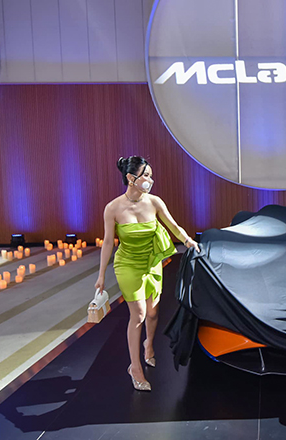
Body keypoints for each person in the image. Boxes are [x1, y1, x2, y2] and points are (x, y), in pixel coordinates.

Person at [95, 156, 200, 391]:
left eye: (151, 176)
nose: (150, 180)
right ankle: (135, 368)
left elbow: (173, 226)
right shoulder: (113, 208)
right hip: (127, 264)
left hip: (151, 262)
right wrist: (101, 275)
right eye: (146, 176)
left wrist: (187, 241)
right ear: (131, 178)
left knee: (152, 313)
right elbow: (108, 243)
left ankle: (149, 345)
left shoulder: (154, 202)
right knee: (139, 314)